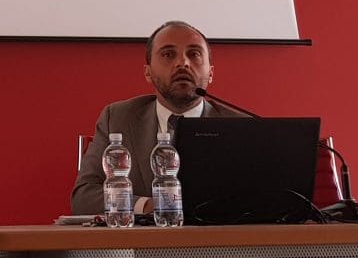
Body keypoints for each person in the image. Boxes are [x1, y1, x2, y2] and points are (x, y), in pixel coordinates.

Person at [71, 20, 244, 215]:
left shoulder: (240, 126)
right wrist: (147, 206)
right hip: (143, 234)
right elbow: (84, 197)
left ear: (211, 72)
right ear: (148, 72)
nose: (183, 63)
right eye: (168, 54)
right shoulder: (118, 119)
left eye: (194, 54)